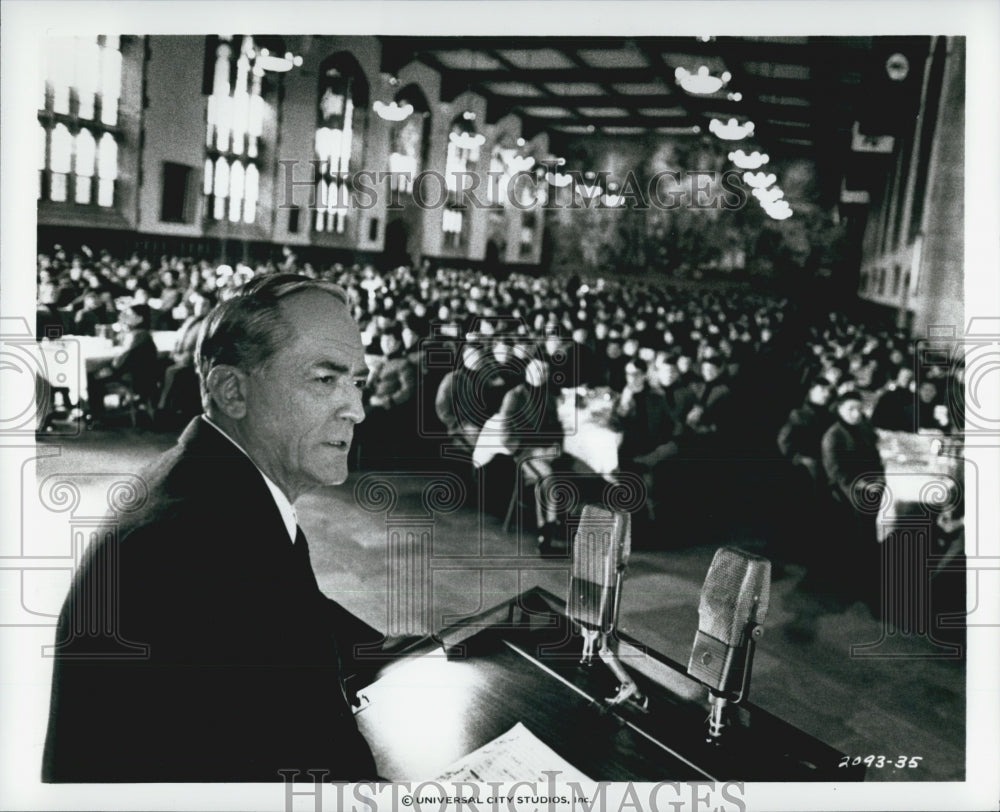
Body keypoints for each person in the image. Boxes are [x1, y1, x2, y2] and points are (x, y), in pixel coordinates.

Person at [42, 274, 378, 782]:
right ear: (231, 390)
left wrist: (404, 651)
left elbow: (290, 609)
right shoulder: (193, 547)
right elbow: (299, 767)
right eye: (325, 379)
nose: (356, 409)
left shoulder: (210, 483)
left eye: (358, 381)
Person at [820, 390, 886, 607]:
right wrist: (866, 484)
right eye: (851, 409)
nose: (856, 414)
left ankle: (872, 570)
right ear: (840, 409)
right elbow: (837, 474)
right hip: (845, 491)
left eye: (859, 409)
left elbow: (874, 455)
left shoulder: (861, 428)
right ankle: (864, 581)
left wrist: (877, 477)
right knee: (868, 522)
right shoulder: (834, 435)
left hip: (866, 484)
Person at [85, 303, 160, 425]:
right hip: (140, 375)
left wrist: (108, 369)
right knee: (95, 374)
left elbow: (120, 362)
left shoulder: (137, 335)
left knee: (91, 377)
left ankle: (96, 414)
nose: (125, 317)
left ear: (140, 319)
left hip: (134, 377)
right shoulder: (141, 333)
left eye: (130, 315)